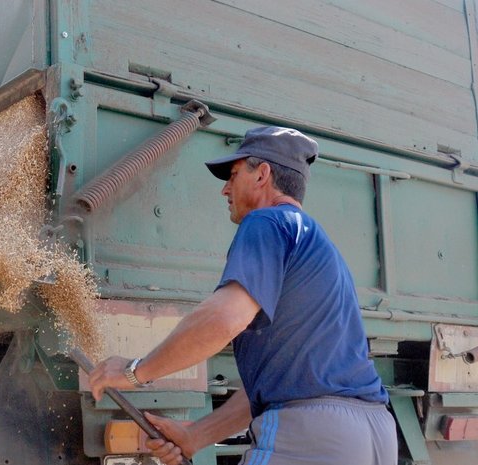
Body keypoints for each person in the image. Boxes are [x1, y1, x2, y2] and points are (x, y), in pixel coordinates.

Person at [88, 126, 397, 465]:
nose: (225, 189)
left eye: (233, 175)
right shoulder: (320, 247)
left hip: (311, 436)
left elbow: (224, 318)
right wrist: (196, 436)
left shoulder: (267, 222)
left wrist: (135, 371)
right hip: (374, 435)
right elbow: (277, 380)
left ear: (262, 174)